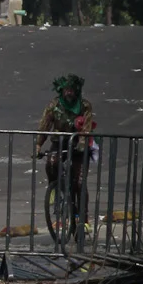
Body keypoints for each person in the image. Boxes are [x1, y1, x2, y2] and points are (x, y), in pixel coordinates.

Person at [36, 73, 95, 232]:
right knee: (51, 163)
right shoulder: (54, 105)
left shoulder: (84, 106)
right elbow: (45, 125)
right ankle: (55, 188)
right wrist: (39, 145)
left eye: (72, 90)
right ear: (61, 90)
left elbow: (86, 128)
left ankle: (83, 219)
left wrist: (82, 144)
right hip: (59, 141)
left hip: (78, 144)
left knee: (79, 183)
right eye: (66, 90)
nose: (69, 93)